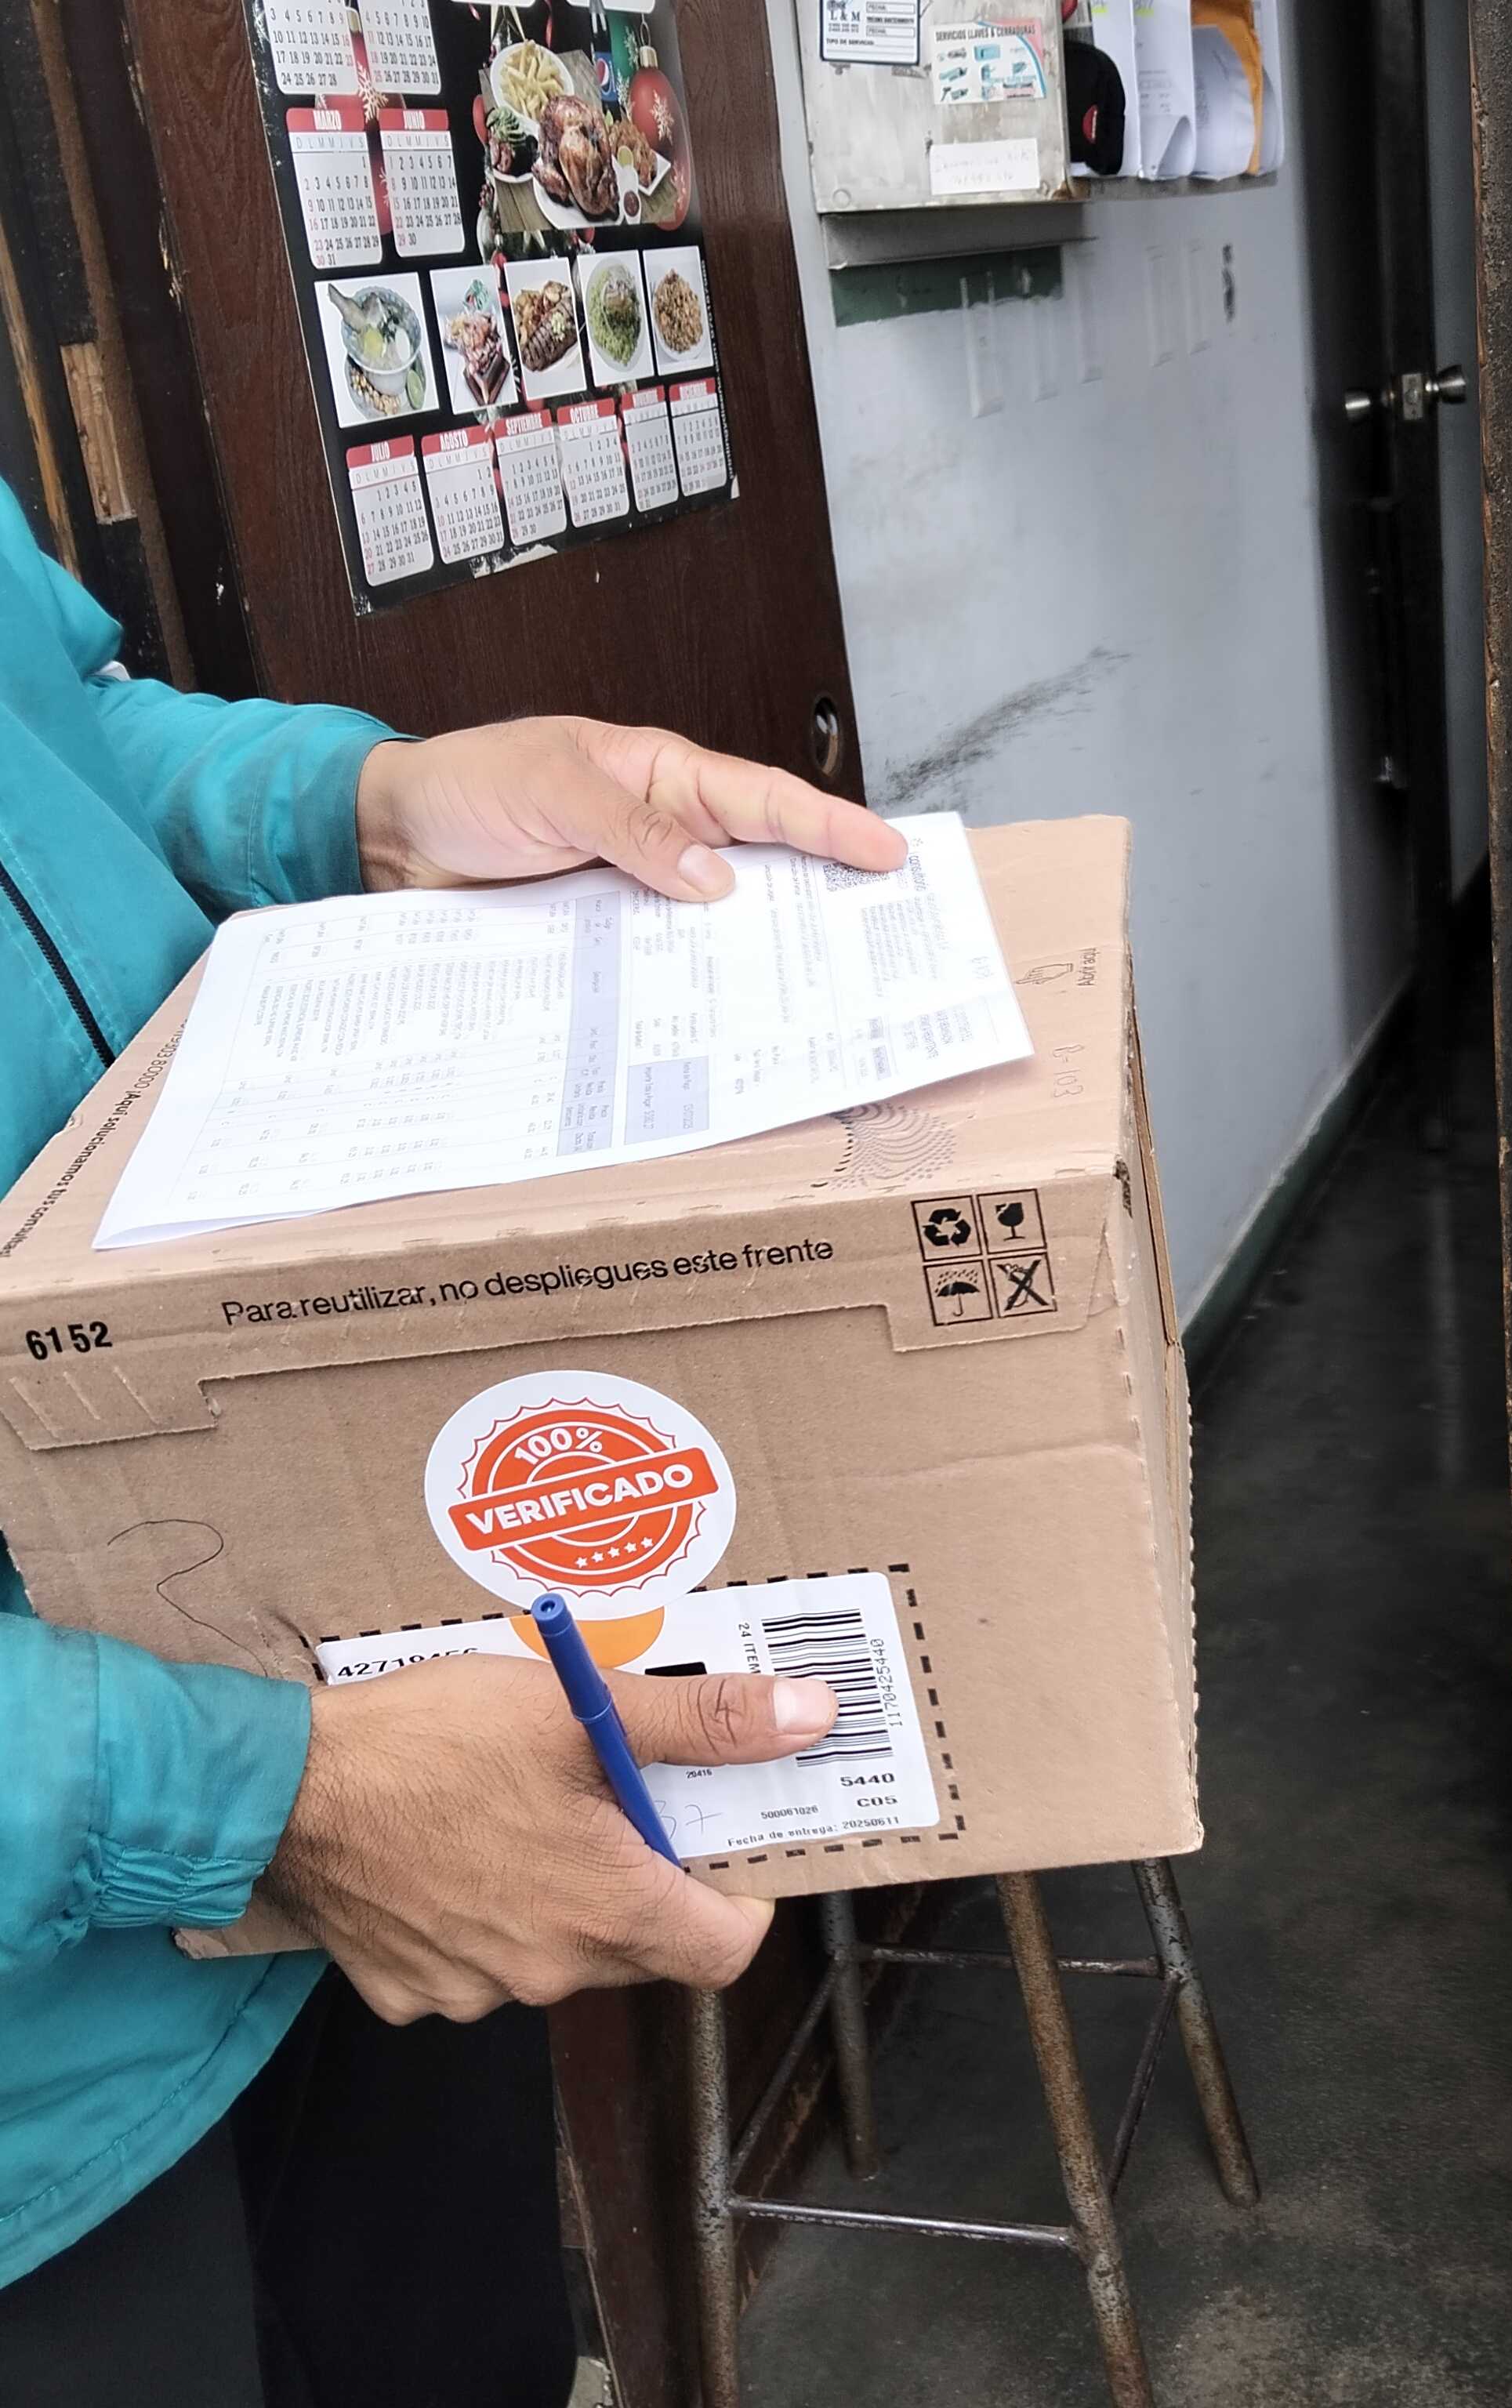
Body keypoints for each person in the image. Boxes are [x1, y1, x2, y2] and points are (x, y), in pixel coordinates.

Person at [0, 483, 908, 2406]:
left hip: (338, 1723)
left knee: (478, 2349)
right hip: (52, 2097)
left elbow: (64, 727)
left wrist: (366, 802)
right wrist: (245, 1799)